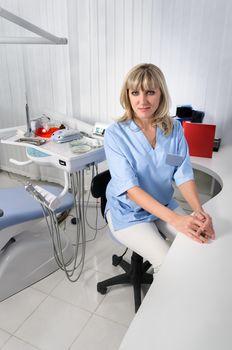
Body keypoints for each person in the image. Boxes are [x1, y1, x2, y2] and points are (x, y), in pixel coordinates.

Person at [104, 63, 215, 268]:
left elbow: (182, 173)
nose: (142, 100)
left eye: (150, 92)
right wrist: (175, 220)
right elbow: (132, 189)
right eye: (135, 92)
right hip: (129, 213)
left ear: (161, 94)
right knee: (166, 261)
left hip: (163, 204)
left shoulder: (173, 130)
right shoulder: (115, 135)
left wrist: (200, 212)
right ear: (127, 95)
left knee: (198, 243)